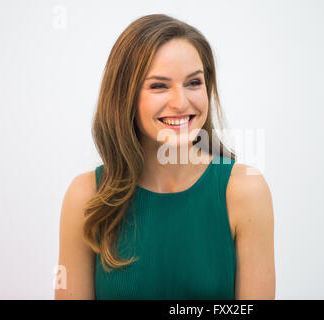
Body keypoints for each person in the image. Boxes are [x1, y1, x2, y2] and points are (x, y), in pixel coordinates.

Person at [55, 14, 275, 300]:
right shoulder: (86, 196)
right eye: (159, 86)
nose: (181, 102)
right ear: (125, 96)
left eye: (193, 83)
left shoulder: (245, 190)